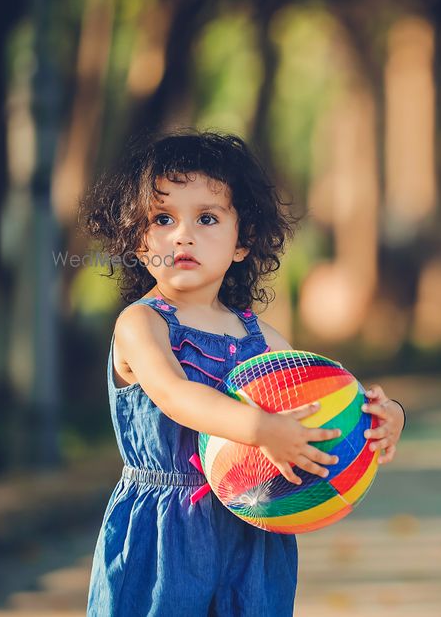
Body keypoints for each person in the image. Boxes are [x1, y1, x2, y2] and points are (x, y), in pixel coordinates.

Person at [79, 131, 406, 616]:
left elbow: (318, 399)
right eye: (162, 219)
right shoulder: (141, 324)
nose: (183, 235)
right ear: (137, 240)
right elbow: (176, 395)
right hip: (167, 532)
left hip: (255, 526)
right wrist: (261, 429)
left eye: (207, 218)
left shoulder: (264, 338)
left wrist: (382, 415)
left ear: (242, 242)